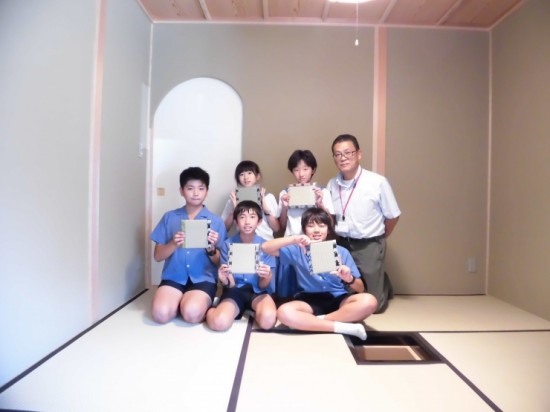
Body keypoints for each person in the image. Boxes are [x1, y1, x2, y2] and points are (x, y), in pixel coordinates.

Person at [262, 207, 377, 340]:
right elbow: (265, 248)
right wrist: (294, 239)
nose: (316, 230)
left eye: (322, 226)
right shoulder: (297, 250)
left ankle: (315, 322)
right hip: (309, 300)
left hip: (339, 298)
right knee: (284, 312)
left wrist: (349, 278)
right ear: (304, 230)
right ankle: (344, 327)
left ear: (328, 229)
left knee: (369, 301)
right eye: (311, 226)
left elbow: (361, 289)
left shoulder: (341, 251)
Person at [327, 134, 401, 313]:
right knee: (342, 298)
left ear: (359, 154)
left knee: (374, 306)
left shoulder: (377, 182)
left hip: (369, 244)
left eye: (348, 153)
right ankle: (378, 279)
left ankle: (383, 284)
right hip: (342, 243)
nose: (343, 158)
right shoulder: (331, 184)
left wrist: (380, 238)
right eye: (338, 154)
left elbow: (393, 216)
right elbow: (330, 217)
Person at [150, 166, 227, 324]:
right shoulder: (169, 217)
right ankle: (180, 301)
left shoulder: (216, 222)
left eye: (201, 188)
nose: (196, 193)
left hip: (203, 279)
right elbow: (157, 256)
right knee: (160, 315)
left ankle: (190, 303)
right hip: (173, 277)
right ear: (181, 191)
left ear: (207, 191)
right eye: (190, 188)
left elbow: (221, 263)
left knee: (191, 314)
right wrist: (173, 243)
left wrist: (211, 249)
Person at [207, 200, 277, 331]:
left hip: (258, 292)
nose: (247, 222)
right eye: (242, 217)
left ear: (259, 221)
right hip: (234, 291)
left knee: (268, 321)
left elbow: (263, 286)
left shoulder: (266, 246)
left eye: (252, 217)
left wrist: (267, 276)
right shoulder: (227, 245)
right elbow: (230, 285)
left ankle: (253, 311)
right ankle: (212, 310)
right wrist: (224, 279)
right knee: (219, 323)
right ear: (236, 221)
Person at [278, 149, 335, 236]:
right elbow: (283, 225)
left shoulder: (323, 192)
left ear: (313, 170)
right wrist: (284, 207)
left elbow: (331, 223)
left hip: (315, 239)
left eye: (305, 169)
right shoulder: (285, 194)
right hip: (291, 239)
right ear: (292, 171)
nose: (301, 174)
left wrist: (321, 205)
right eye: (296, 170)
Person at [221, 160, 280, 240]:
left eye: (249, 173)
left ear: (257, 176)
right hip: (242, 242)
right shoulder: (233, 199)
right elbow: (224, 229)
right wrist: (234, 211)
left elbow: (276, 228)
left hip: (266, 241)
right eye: (242, 174)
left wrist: (266, 210)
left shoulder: (268, 197)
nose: (246, 177)